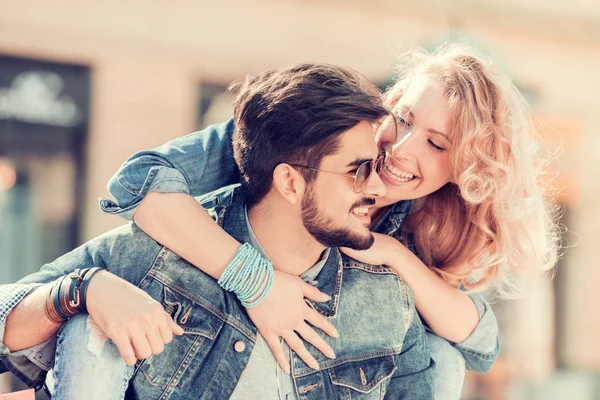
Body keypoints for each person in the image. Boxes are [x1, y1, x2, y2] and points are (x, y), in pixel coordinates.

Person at [97, 42, 558, 397]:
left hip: (329, 368)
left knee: (443, 358)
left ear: (465, 170)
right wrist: (254, 279)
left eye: (436, 145)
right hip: (214, 319)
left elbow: (480, 342)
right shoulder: (305, 134)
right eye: (403, 118)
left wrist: (393, 253)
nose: (400, 150)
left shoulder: (425, 221)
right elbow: (136, 184)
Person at [0, 63, 435, 399]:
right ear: (288, 181)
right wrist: (82, 289)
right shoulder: (159, 256)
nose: (378, 188)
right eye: (358, 170)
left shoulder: (385, 297)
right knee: (85, 330)